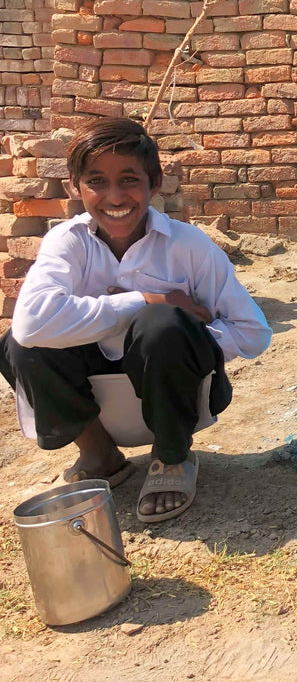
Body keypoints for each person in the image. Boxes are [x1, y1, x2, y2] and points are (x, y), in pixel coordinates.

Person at [0, 118, 272, 523]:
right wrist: (143, 299)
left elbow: (253, 333)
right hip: (93, 393)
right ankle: (101, 456)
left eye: (129, 179)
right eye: (96, 181)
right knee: (18, 344)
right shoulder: (68, 241)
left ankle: (172, 457)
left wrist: (183, 333)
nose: (114, 196)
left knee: (161, 326)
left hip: (173, 396)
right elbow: (31, 325)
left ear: (154, 183)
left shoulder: (189, 246)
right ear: (75, 187)